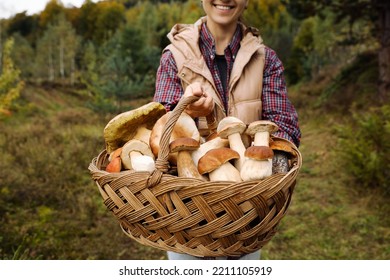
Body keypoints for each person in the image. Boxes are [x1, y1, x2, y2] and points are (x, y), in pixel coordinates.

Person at [153, 0, 301, 260]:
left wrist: (266, 183)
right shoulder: (173, 57)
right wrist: (185, 110)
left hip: (248, 219)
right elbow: (159, 130)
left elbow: (285, 125)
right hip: (188, 218)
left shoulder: (266, 59)